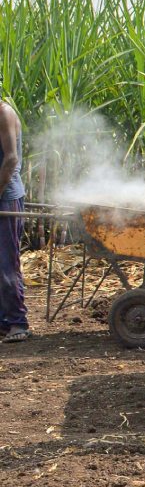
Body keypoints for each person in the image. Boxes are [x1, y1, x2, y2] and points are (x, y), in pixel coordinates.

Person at [0, 97, 29, 343]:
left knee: (6, 263)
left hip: (6, 197)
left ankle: (17, 322)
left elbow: (11, 159)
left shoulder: (4, 113)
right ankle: (4, 320)